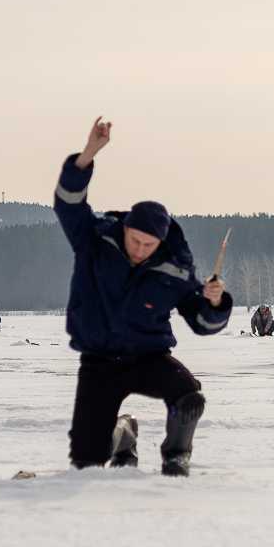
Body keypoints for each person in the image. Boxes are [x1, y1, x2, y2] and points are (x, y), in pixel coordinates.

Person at [54, 117, 233, 477]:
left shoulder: (175, 267)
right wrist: (88, 155)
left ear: (160, 243)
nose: (139, 249)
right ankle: (123, 431)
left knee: (189, 397)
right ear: (124, 228)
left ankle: (176, 455)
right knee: (86, 464)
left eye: (148, 245)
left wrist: (215, 302)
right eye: (134, 240)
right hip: (99, 361)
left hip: (148, 357)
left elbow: (202, 322)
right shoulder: (94, 241)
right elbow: (68, 203)